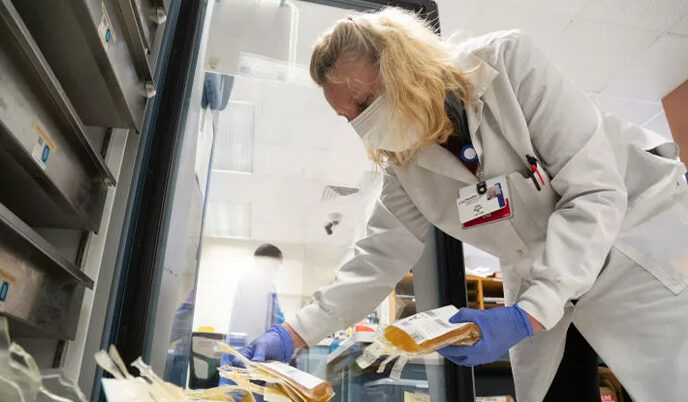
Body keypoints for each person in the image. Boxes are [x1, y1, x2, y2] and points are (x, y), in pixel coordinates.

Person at [235, 8, 688, 402]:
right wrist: (293, 332)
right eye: (349, 116)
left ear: (403, 64)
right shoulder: (408, 165)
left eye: (365, 101)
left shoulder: (508, 65)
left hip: (629, 241)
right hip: (540, 272)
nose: (361, 124)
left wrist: (525, 315)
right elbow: (377, 257)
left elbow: (595, 191)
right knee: (553, 391)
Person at [219, 244, 285, 381]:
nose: (277, 269)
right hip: (248, 353)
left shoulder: (260, 283)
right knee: (242, 394)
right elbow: (263, 323)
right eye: (277, 264)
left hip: (248, 352)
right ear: (269, 261)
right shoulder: (255, 282)